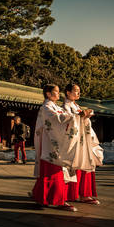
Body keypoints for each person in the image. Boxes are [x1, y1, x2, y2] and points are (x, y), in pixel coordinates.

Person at [30, 84, 79, 212]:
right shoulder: (46, 107)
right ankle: (59, 199)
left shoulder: (55, 106)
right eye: (56, 92)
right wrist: (75, 117)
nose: (58, 94)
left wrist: (76, 116)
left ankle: (42, 196)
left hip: (54, 143)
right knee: (54, 171)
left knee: (52, 172)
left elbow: (64, 117)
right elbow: (56, 120)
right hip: (49, 144)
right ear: (48, 94)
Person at [63, 84, 103, 205]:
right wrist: (81, 115)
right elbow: (65, 121)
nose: (78, 93)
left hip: (82, 139)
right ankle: (73, 194)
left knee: (85, 164)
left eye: (79, 91)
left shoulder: (76, 106)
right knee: (76, 166)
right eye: (75, 91)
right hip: (74, 141)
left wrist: (85, 116)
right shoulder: (66, 106)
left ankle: (84, 193)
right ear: (67, 92)